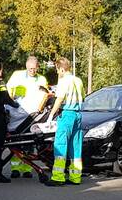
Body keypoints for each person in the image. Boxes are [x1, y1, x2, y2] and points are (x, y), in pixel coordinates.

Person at [7, 56, 50, 177]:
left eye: (35, 69)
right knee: (15, 142)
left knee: (29, 142)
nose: (32, 71)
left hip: (33, 116)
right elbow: (9, 91)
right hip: (17, 113)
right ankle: (15, 168)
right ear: (26, 66)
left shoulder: (41, 79)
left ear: (38, 67)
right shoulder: (17, 75)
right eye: (30, 68)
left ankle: (27, 169)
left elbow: (45, 95)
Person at [47, 57, 85, 186]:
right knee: (76, 146)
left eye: (58, 70)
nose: (58, 73)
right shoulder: (78, 80)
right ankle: (75, 177)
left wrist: (51, 115)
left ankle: (58, 177)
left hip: (67, 114)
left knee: (61, 145)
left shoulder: (64, 81)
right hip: (78, 115)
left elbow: (59, 99)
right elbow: (82, 98)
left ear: (61, 68)